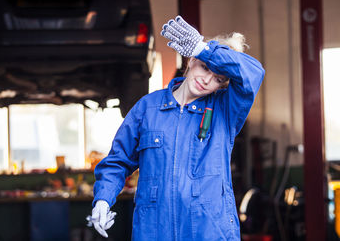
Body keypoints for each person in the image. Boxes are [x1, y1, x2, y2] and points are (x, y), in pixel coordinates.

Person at [88, 15, 265, 240]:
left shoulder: (225, 110)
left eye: (219, 79)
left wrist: (204, 49)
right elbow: (118, 160)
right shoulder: (148, 108)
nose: (207, 80)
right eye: (204, 67)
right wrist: (103, 199)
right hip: (154, 231)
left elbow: (254, 73)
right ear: (190, 61)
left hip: (208, 231)